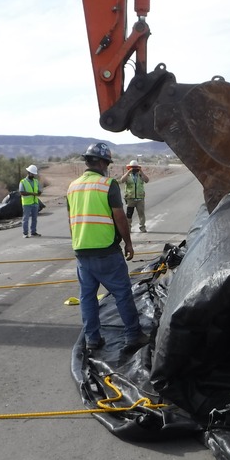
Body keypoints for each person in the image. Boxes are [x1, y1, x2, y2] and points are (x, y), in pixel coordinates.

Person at [67, 143, 150, 351]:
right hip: (106, 251)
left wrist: (78, 244)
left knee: (87, 297)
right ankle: (133, 335)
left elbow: (71, 220)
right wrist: (128, 243)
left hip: (82, 251)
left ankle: (92, 339)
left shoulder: (72, 186)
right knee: (122, 293)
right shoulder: (107, 184)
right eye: (108, 163)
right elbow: (120, 217)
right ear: (103, 162)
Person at [119, 159, 150, 232]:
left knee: (141, 214)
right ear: (129, 168)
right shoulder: (128, 176)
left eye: (135, 167)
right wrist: (128, 172)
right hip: (130, 198)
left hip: (140, 198)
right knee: (129, 214)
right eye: (132, 167)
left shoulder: (140, 175)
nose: (134, 169)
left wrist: (141, 171)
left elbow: (147, 180)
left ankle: (142, 227)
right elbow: (122, 180)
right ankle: (128, 228)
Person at [19, 164, 42, 238]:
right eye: (32, 174)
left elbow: (38, 190)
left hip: (35, 203)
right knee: (26, 219)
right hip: (27, 203)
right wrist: (32, 193)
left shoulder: (36, 181)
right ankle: (25, 233)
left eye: (34, 174)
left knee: (34, 219)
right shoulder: (23, 182)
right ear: (28, 172)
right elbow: (22, 192)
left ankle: (33, 232)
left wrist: (39, 192)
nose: (33, 175)